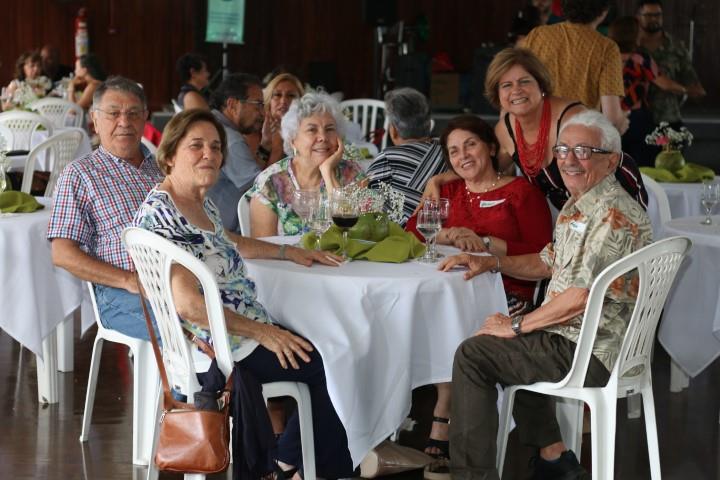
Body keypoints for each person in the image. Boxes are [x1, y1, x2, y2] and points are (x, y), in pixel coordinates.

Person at [133, 109, 353, 479]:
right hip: (220, 344)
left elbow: (228, 242)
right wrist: (263, 332)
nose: (210, 154)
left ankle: (292, 461)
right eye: (196, 146)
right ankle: (303, 465)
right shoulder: (164, 217)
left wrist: (288, 251)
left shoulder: (195, 202)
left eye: (216, 147)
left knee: (325, 343)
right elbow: (190, 306)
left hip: (233, 331)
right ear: (169, 155)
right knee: (331, 363)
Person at [440, 110, 652, 479]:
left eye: (584, 150)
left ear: (612, 160)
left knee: (474, 355)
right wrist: (492, 262)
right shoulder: (581, 203)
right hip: (575, 337)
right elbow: (545, 263)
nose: (569, 159)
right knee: (508, 343)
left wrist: (517, 326)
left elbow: (579, 298)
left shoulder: (612, 214)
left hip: (589, 349)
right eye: (564, 149)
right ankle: (555, 459)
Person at [404, 115, 552, 465]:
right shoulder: (448, 190)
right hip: (448, 294)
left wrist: (486, 243)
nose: (463, 155)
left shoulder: (521, 193)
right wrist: (450, 233)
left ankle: (446, 415)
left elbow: (544, 254)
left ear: (489, 146)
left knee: (461, 333)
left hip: (508, 294)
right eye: (453, 151)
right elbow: (413, 233)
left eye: (470, 144)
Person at [424, 48, 648, 211]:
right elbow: (483, 168)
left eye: (524, 82)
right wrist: (437, 180)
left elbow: (603, 171)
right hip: (572, 221)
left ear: (540, 85)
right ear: (497, 94)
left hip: (615, 206)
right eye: (506, 85)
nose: (516, 91)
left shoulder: (571, 118)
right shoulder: (506, 130)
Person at [47, 76, 162, 340]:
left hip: (179, 282)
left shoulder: (164, 168)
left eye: (133, 114)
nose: (124, 122)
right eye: (113, 114)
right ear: (95, 120)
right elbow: (62, 254)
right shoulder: (80, 174)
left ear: (145, 117)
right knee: (195, 328)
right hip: (121, 292)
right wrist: (129, 281)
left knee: (231, 314)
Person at [245, 91, 366, 237]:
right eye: (312, 130)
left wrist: (328, 173)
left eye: (329, 129)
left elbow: (358, 234)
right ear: (293, 139)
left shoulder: (351, 173)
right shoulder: (271, 181)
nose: (322, 137)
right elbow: (263, 248)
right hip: (287, 259)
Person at [521, 0, 629, 135]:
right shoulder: (607, 48)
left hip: (535, 137)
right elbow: (612, 119)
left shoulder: (537, 36)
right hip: (578, 143)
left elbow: (516, 87)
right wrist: (622, 121)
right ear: (604, 11)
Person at [609, 16, 687, 167]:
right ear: (633, 35)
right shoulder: (640, 58)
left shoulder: (606, 56)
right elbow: (664, 84)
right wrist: (684, 89)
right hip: (637, 118)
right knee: (642, 165)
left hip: (610, 115)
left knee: (615, 164)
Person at [366, 87, 446, 226]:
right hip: (441, 232)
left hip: (402, 237)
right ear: (429, 125)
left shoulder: (387, 159)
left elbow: (366, 209)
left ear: (393, 131)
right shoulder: (448, 149)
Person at [205, 73, 267, 232]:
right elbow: (264, 189)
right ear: (232, 105)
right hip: (223, 236)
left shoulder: (211, 123)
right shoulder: (230, 139)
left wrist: (265, 146)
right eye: (258, 104)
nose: (263, 113)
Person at [636, 0, 706, 127]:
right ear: (639, 17)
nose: (653, 19)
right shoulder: (630, 46)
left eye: (657, 15)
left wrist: (686, 90)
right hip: (634, 119)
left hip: (668, 117)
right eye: (648, 15)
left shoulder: (676, 47)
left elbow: (692, 83)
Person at [247, 72, 305, 167]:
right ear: (268, 100)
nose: (283, 101)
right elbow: (258, 177)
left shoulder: (307, 131)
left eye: (291, 96)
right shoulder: (253, 130)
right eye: (277, 95)